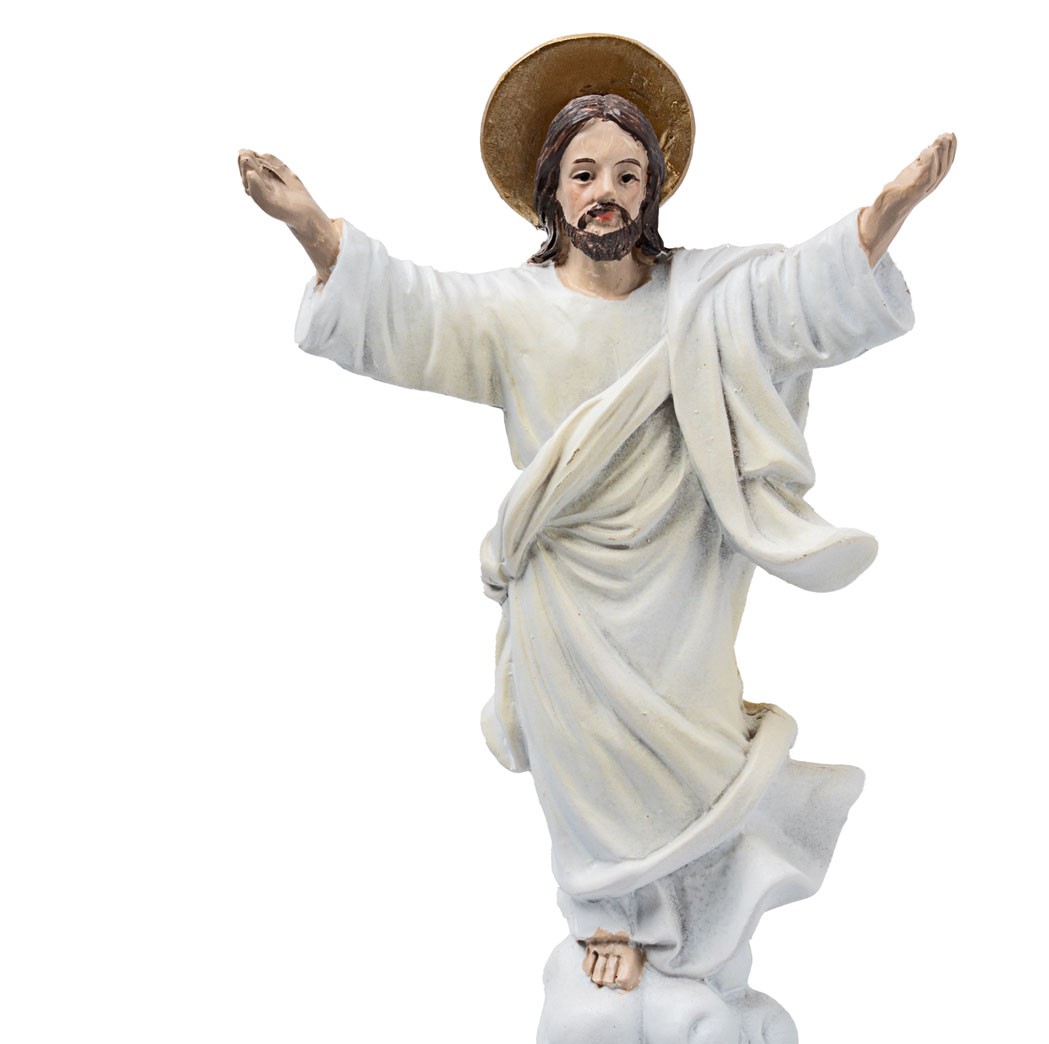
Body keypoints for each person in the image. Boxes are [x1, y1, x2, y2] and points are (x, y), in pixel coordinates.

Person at [238, 40, 954, 995]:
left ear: (652, 189)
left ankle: (700, 908)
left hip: (680, 578)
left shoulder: (704, 300)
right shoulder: (511, 309)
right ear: (552, 190)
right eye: (584, 175)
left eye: (626, 174)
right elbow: (411, 310)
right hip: (567, 593)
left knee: (696, 747)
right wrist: (311, 228)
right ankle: (610, 916)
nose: (605, 193)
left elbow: (793, 299)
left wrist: (885, 215)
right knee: (587, 763)